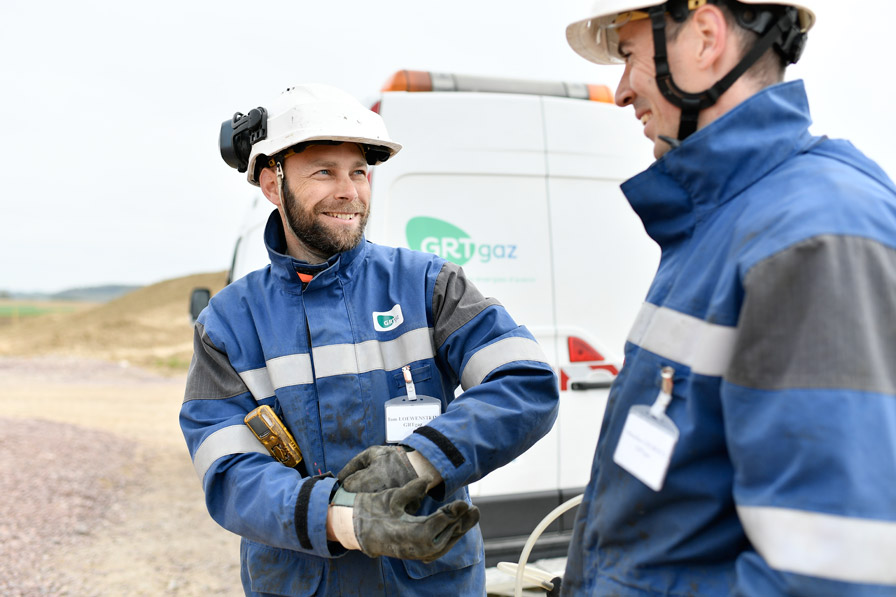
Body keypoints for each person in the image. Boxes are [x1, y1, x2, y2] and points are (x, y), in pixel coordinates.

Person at [562, 1, 896, 595]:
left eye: (631, 56)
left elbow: (830, 575)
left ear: (706, 37)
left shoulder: (812, 232)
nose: (619, 91)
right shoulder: (726, 222)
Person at [178, 83, 559, 596]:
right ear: (272, 183)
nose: (349, 191)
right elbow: (229, 473)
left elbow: (526, 385)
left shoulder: (427, 285)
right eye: (323, 172)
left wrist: (417, 461)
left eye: (359, 171)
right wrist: (345, 520)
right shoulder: (228, 324)